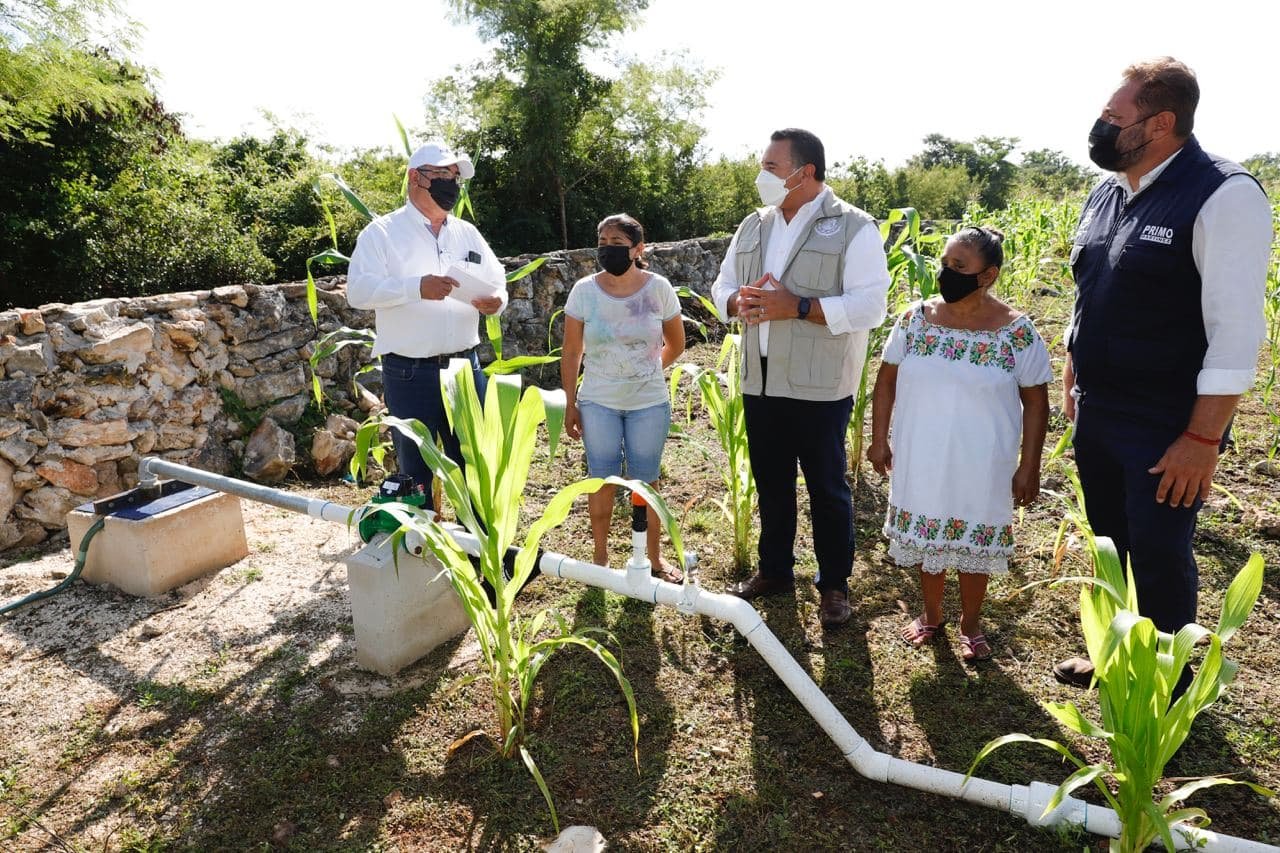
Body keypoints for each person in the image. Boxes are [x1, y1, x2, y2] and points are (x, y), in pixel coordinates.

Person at [1055, 58, 1271, 687]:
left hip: (1165, 422)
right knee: (1111, 543)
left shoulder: (1222, 194)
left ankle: (1165, 684)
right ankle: (1112, 652)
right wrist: (1073, 364)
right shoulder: (1108, 191)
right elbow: (1088, 289)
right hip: (1099, 410)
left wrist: (1202, 440)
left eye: (1114, 117)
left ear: (1162, 123)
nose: (1101, 125)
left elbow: (1235, 332)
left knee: (1157, 550)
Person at [710, 128, 891, 629]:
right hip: (760, 379)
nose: (762, 175)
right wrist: (733, 301)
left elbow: (870, 305)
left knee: (827, 488)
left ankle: (833, 584)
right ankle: (775, 571)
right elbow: (723, 284)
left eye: (771, 167)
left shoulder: (854, 227)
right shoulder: (754, 224)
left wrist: (801, 306)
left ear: (804, 172)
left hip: (820, 385)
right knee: (771, 481)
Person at [868, 227, 1052, 661]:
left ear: (987, 275)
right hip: (921, 453)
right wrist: (879, 440)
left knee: (975, 539)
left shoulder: (1016, 332)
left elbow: (1036, 402)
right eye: (945, 264)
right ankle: (931, 615)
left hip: (983, 461)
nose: (946, 273)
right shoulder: (914, 319)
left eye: (959, 267)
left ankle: (971, 622)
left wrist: (1029, 466)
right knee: (926, 534)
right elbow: (886, 380)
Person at [346, 141, 508, 509]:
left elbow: (498, 281)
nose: (451, 183)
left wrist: (498, 301)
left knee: (476, 463)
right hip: (410, 372)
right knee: (416, 468)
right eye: (442, 175)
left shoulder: (467, 233)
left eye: (455, 177)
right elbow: (357, 291)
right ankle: (421, 557)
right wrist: (416, 287)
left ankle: (482, 554)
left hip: (466, 367)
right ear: (415, 177)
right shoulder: (381, 233)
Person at [561, 214, 686, 581]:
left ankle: (654, 559)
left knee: (646, 480)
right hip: (597, 400)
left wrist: (647, 371)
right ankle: (600, 560)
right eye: (603, 242)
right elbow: (571, 352)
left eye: (617, 243)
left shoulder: (658, 288)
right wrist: (570, 403)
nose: (607, 250)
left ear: (638, 248)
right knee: (601, 477)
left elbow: (676, 344)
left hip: (648, 402)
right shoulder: (584, 291)